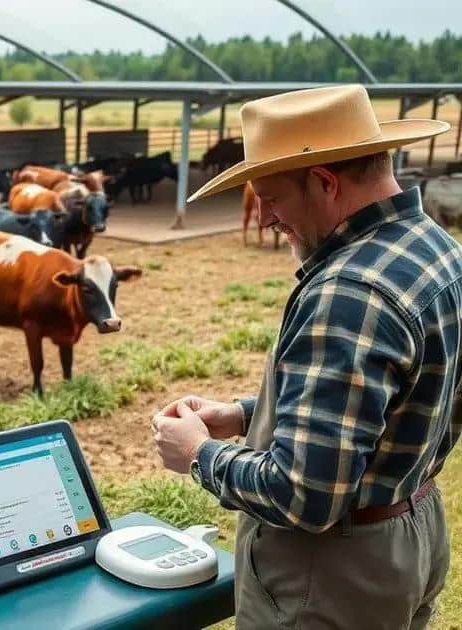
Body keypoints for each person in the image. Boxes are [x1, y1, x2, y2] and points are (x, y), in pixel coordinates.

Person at [151, 84, 457, 629]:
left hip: (334, 573)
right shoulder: (437, 249)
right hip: (412, 530)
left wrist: (198, 453)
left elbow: (304, 494)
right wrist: (246, 415)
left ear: (323, 181)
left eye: (271, 196)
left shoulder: (349, 292)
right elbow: (394, 397)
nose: (265, 217)